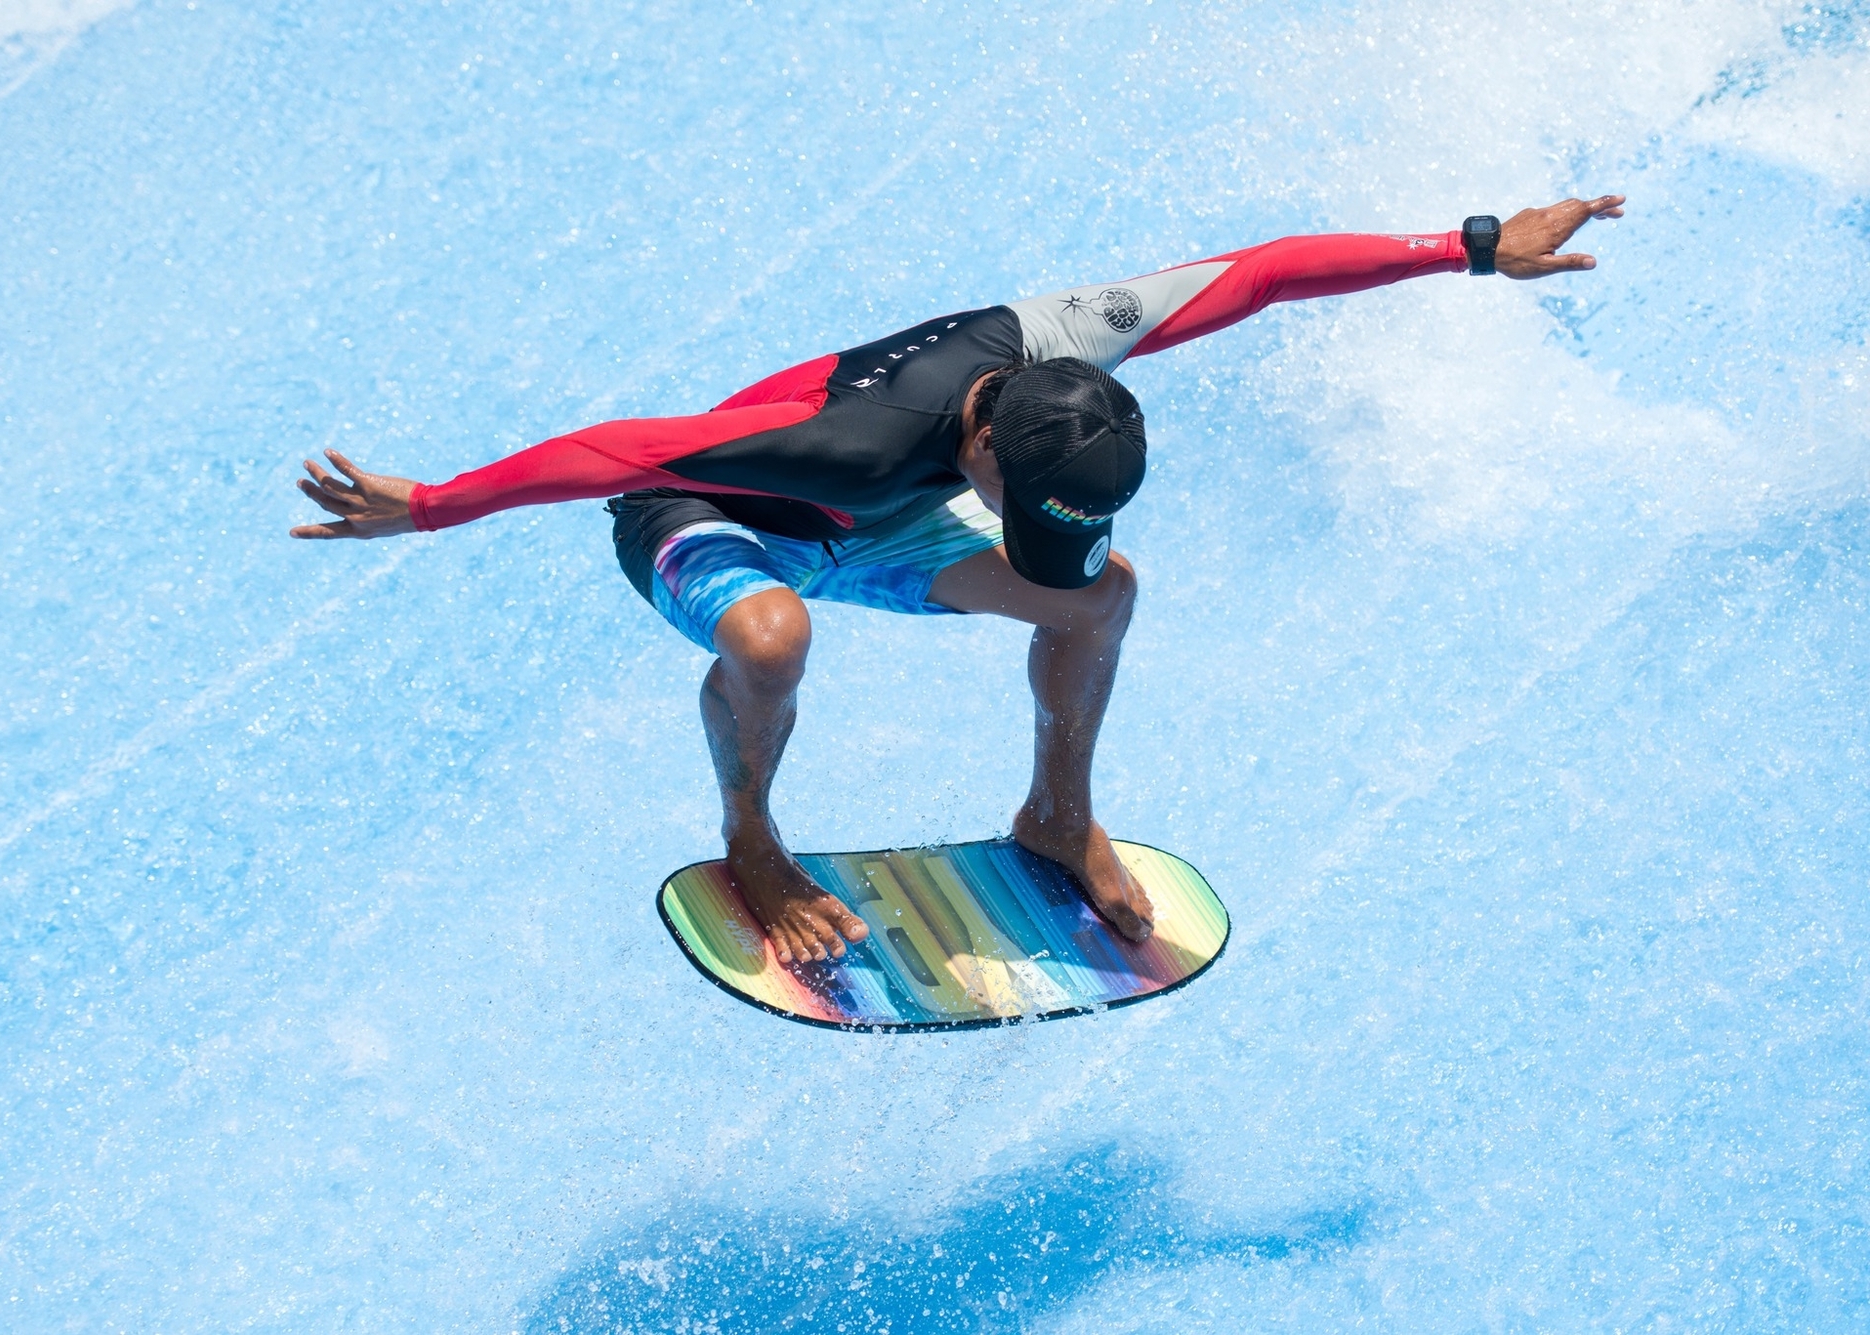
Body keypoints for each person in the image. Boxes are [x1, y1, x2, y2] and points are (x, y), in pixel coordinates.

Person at [292, 195, 1626, 965]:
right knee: (770, 634)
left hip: (879, 527)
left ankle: (1056, 814)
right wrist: (433, 506)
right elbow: (619, 452)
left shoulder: (1063, 355)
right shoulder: (849, 437)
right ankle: (753, 839)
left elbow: (1263, 277)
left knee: (1099, 596)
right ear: (983, 450)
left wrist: (1472, 243)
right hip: (713, 520)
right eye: (1014, 505)